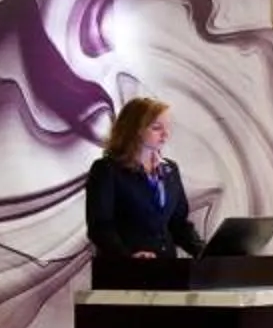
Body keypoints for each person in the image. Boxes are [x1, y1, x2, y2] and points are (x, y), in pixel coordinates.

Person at [85, 96, 206, 260]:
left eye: (167, 127)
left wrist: (205, 253)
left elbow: (178, 224)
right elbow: (100, 227)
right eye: (157, 128)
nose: (165, 134)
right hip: (124, 273)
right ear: (135, 129)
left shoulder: (170, 170)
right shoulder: (107, 170)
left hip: (167, 269)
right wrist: (127, 257)